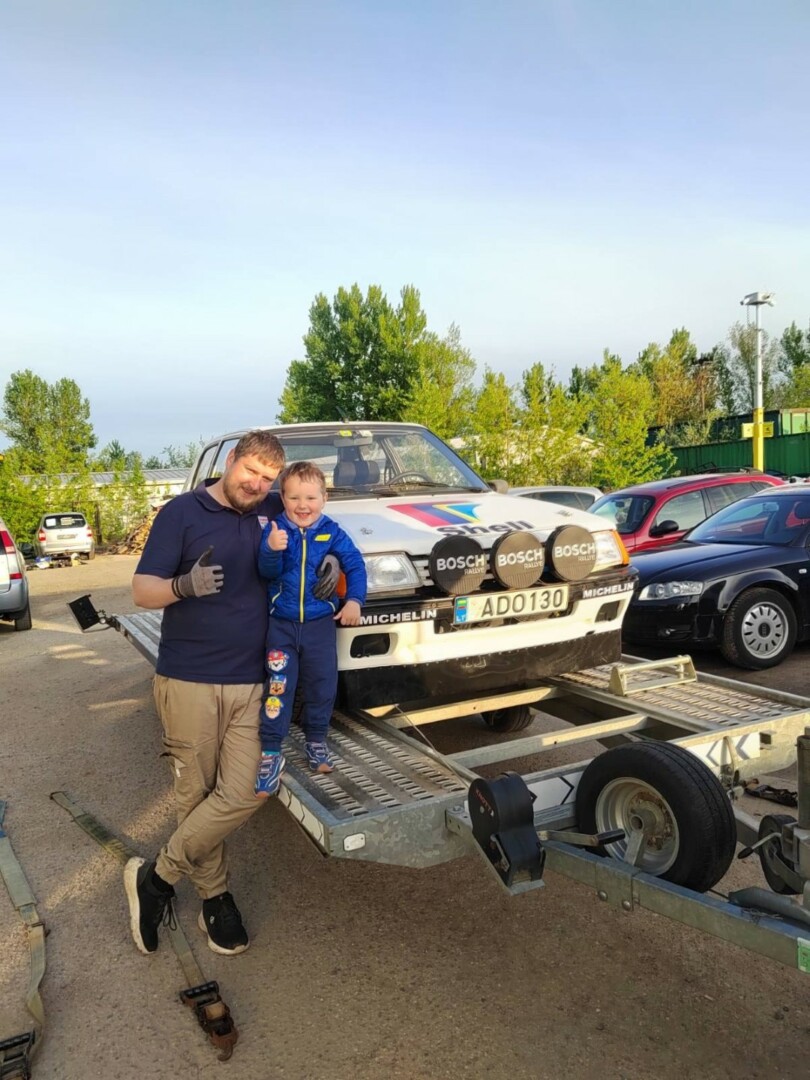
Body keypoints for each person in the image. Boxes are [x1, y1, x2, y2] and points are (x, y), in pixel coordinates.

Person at [123, 431, 339, 957]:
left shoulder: (275, 508)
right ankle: (215, 898)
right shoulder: (182, 512)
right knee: (195, 795)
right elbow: (142, 591)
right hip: (189, 679)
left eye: (269, 478)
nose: (258, 485)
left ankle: (156, 878)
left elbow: (320, 522)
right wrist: (183, 586)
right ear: (231, 460)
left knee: (250, 790)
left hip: (254, 682)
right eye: (251, 472)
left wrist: (333, 570)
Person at [255, 460, 367, 796]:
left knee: (322, 685)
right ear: (282, 498)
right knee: (278, 687)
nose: (302, 506)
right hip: (282, 626)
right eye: (294, 498)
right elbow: (266, 572)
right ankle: (270, 752)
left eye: (310, 498)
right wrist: (270, 550)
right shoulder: (275, 529)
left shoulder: (332, 531)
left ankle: (316, 741)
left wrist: (354, 601)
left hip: (320, 626)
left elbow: (355, 564)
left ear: (324, 498)